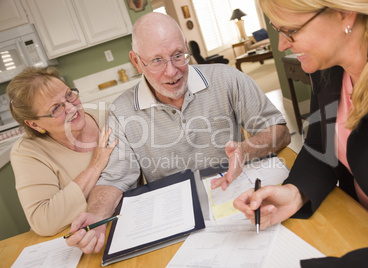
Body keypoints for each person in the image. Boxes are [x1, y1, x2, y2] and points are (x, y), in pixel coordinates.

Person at [66, 12, 291, 253]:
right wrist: (97, 217)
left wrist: (245, 150)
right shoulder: (121, 111)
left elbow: (279, 131)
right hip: (173, 223)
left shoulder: (228, 79)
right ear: (136, 61)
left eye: (177, 55)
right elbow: (113, 179)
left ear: (186, 48)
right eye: (157, 61)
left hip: (237, 206)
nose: (172, 71)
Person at [234, 0, 368, 266]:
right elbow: (320, 149)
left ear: (345, 14)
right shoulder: (328, 67)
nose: (281, 45)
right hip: (361, 226)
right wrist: (294, 192)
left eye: (290, 31)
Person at [7, 67, 118, 236]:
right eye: (55, 109)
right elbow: (44, 221)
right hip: (74, 239)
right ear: (35, 124)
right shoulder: (28, 152)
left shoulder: (109, 118)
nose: (72, 108)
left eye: (69, 95)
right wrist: (95, 166)